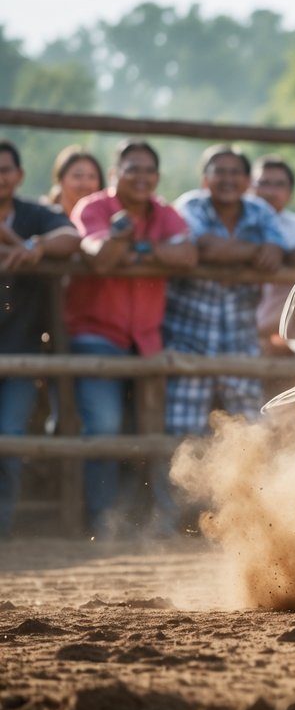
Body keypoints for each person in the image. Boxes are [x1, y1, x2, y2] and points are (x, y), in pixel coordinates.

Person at [66, 139, 197, 537]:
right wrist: (143, 248)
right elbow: (99, 256)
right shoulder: (93, 207)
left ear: (157, 177)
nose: (141, 177)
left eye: (148, 170)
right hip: (95, 334)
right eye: (132, 169)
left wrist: (134, 246)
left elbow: (188, 256)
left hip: (146, 339)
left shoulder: (165, 212)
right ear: (114, 173)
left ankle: (154, 522)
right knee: (104, 428)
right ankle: (102, 523)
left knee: (152, 430)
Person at [168, 145, 292, 446]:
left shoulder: (258, 210)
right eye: (219, 171)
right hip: (189, 335)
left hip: (240, 338)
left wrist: (254, 252)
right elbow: (203, 248)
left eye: (235, 172)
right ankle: (167, 495)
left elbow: (276, 253)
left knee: (250, 429)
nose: (227, 179)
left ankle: (246, 494)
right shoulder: (190, 206)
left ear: (247, 180)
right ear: (205, 179)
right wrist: (254, 252)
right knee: (182, 432)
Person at [0, 139, 80, 538]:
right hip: (21, 348)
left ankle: (3, 526)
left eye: (4, 170)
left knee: (11, 439)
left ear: (19, 176)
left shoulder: (35, 215)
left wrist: (33, 246)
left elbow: (71, 236)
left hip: (22, 348)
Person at [250, 155, 295, 355]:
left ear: (290, 193)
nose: (270, 192)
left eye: (279, 185)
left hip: (284, 325)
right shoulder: (238, 222)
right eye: (263, 183)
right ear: (249, 187)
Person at [43, 145, 105, 217]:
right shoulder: (43, 217)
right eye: (77, 176)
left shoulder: (107, 221)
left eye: (92, 177)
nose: (85, 184)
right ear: (60, 179)